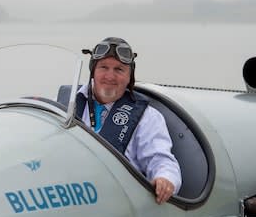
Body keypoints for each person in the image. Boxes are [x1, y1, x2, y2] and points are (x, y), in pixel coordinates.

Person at [77, 37, 181, 204]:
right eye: (103, 67)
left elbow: (161, 160)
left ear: (129, 77)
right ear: (93, 71)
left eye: (119, 69)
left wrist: (165, 179)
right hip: (67, 195)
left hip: (117, 202)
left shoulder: (148, 117)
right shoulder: (65, 104)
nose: (110, 76)